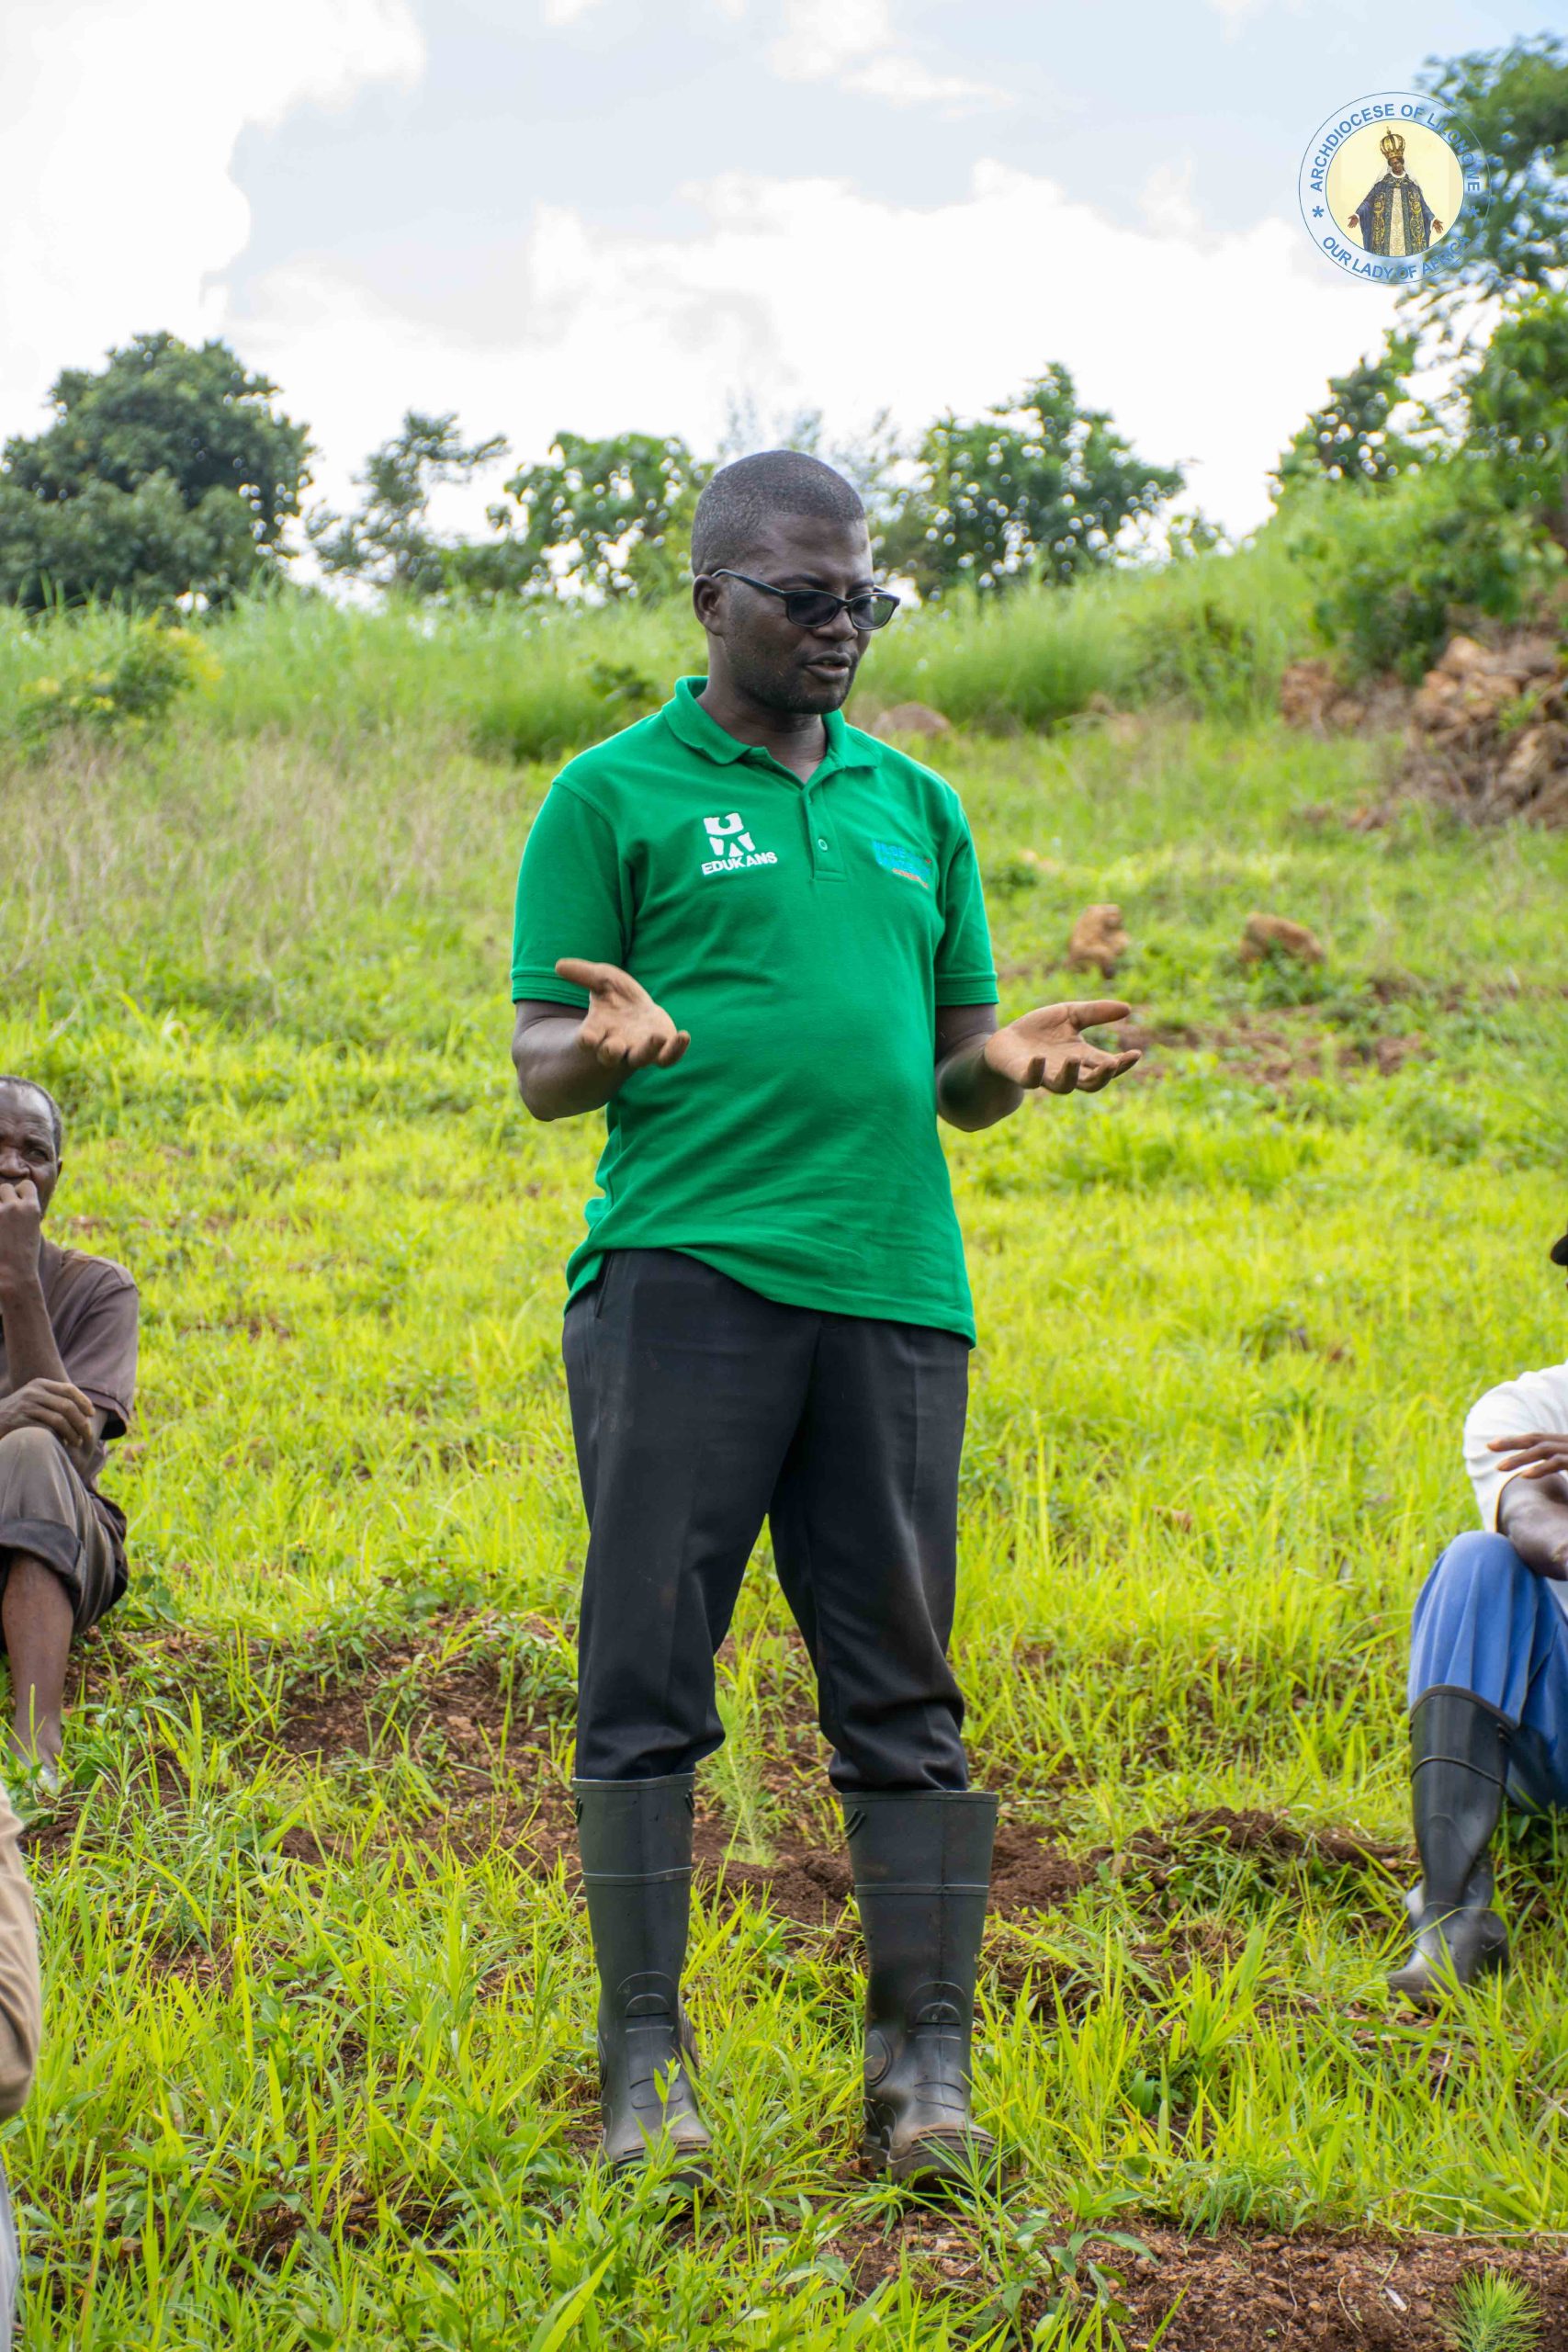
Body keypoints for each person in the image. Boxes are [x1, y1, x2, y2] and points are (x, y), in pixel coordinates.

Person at [509, 450, 1140, 2190]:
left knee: (903, 1694)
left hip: (892, 1291)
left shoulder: (911, 804)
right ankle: (646, 2065)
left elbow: (960, 1066)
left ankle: (920, 2076)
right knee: (645, 1679)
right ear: (710, 598)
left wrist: (1004, 1066)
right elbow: (534, 1065)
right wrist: (602, 1046)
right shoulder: (606, 797)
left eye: (866, 595)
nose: (840, 625)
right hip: (680, 1281)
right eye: (805, 597)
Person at [1391, 1216, 1568, 2005]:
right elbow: (1542, 1537)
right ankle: (1453, 1916)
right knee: (1476, 1558)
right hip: (1555, 1734)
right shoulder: (1525, 1407)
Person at [0, 1079, 139, 1785]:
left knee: (31, 1450)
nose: (14, 1167)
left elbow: (74, 1453)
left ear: (57, 1174)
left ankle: (36, 1746)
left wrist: (19, 1281)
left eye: (35, 1152)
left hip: (61, 1545)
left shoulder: (97, 1288)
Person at [1347, 128, 1443, 256]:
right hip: (1386, 233)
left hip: (1408, 232)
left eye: (1397, 163)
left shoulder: (1411, 185)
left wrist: (1433, 220)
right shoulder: (1383, 184)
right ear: (1390, 165)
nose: (1395, 166)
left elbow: (1423, 206)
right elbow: (1368, 201)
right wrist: (1357, 215)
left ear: (1402, 163)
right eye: (1392, 164)